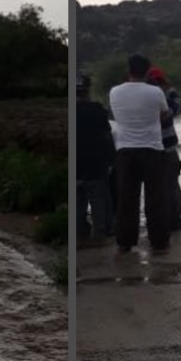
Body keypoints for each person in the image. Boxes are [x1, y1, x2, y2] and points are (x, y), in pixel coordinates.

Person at [108, 54, 172, 253]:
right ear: (147, 72)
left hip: (125, 150)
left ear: (128, 70)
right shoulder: (155, 92)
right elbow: (163, 114)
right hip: (152, 150)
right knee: (155, 199)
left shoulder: (114, 92)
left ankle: (125, 242)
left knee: (127, 199)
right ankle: (159, 241)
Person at [146, 66, 181, 231]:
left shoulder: (144, 98)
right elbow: (176, 106)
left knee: (154, 187)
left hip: (149, 149)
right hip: (168, 149)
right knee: (172, 185)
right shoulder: (167, 98)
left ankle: (157, 222)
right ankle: (174, 220)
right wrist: (168, 89)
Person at [75, 72, 115, 244]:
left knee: (78, 202)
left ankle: (80, 236)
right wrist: (112, 159)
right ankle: (100, 235)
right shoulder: (98, 111)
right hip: (95, 164)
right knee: (98, 200)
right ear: (88, 90)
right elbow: (107, 136)